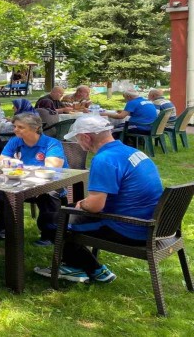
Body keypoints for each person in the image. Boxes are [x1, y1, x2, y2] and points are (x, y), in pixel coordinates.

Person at [34, 115, 162, 283]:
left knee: (49, 221)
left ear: (87, 137)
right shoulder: (133, 152)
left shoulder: (104, 159)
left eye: (78, 139)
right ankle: (76, 264)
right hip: (152, 222)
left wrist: (83, 204)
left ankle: (91, 269)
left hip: (129, 227)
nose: (78, 144)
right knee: (66, 213)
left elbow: (95, 206)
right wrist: (81, 204)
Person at [0, 113, 68, 244]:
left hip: (50, 183)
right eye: (15, 126)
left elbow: (52, 168)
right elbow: (1, 162)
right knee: (3, 190)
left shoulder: (51, 143)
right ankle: (3, 230)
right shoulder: (15, 141)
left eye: (21, 127)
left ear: (36, 128)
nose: (15, 130)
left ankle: (49, 235)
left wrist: (17, 165)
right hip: (23, 182)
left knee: (49, 193)